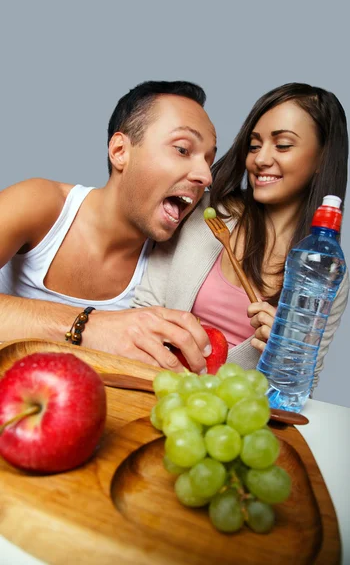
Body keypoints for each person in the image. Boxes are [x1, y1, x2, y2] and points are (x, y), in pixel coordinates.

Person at [133, 82, 349, 392]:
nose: (260, 159)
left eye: (283, 145)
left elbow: (302, 384)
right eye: (254, 144)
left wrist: (283, 356)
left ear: (322, 159)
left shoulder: (325, 272)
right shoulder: (203, 212)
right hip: (154, 387)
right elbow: (143, 310)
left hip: (237, 417)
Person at [0, 80, 218, 373]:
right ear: (119, 151)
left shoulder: (171, 262)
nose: (205, 176)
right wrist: (90, 326)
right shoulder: (39, 203)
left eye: (209, 160)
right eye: (182, 149)